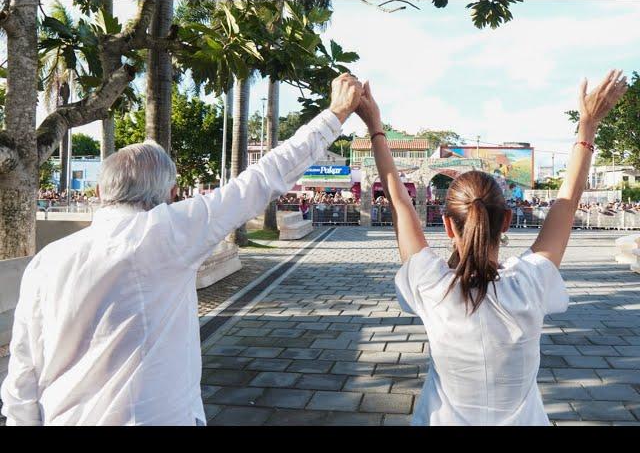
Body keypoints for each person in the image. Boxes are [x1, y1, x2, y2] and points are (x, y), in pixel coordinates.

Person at [0, 73, 363, 426]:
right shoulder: (166, 232)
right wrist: (335, 115)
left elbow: (23, 371)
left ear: (99, 192)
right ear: (171, 194)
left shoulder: (46, 261)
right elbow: (263, 178)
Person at [354, 70, 627, 426]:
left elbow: (400, 204)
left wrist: (375, 126)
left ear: (448, 224)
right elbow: (566, 202)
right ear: (506, 222)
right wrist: (587, 126)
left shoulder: (432, 287)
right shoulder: (529, 285)